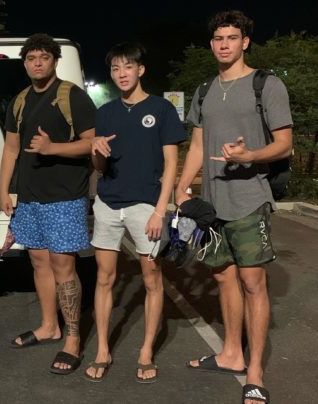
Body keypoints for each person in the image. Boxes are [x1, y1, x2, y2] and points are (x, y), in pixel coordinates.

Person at [176, 10, 292, 404]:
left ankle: (254, 371)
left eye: (231, 37)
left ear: (245, 42)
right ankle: (231, 354)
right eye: (218, 38)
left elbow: (284, 144)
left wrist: (250, 156)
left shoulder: (267, 85)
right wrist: (181, 188)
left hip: (249, 199)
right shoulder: (205, 89)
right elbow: (196, 146)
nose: (224, 44)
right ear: (211, 44)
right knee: (223, 278)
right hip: (211, 204)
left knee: (253, 283)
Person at [84, 42, 186, 383]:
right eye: (115, 68)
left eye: (127, 66)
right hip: (108, 203)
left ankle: (145, 351)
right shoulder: (105, 112)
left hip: (146, 206)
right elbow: (100, 167)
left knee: (152, 278)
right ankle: (102, 349)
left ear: (140, 70)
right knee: (104, 278)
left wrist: (160, 210)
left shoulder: (161, 109)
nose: (121, 73)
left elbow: (171, 163)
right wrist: (96, 151)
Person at [0, 33, 96, 375]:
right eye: (31, 58)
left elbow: (92, 143)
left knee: (63, 266)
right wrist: (4, 190)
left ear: (55, 61)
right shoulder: (20, 100)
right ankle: (48, 326)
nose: (37, 63)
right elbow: (11, 148)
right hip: (29, 197)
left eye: (43, 57)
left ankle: (73, 339)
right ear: (25, 63)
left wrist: (52, 148)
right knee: (39, 261)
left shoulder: (72, 96)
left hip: (64, 196)